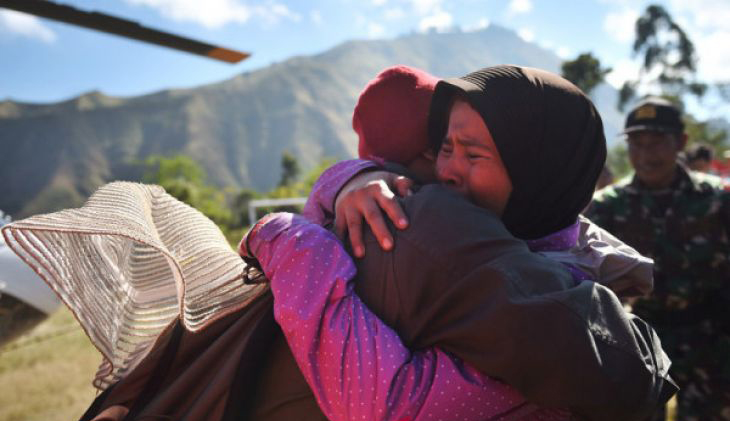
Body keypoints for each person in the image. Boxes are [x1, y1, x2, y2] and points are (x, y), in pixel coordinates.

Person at [242, 65, 676, 421]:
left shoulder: (545, 303)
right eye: (444, 148)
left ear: (538, 171)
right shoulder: (559, 245)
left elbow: (391, 407)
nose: (446, 171)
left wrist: (285, 235)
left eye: (473, 154)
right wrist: (351, 178)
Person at [586, 96, 730, 420]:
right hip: (638, 345)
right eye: (637, 144)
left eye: (657, 143)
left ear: (681, 142)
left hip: (710, 343)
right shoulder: (606, 206)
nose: (646, 154)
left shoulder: (718, 201)